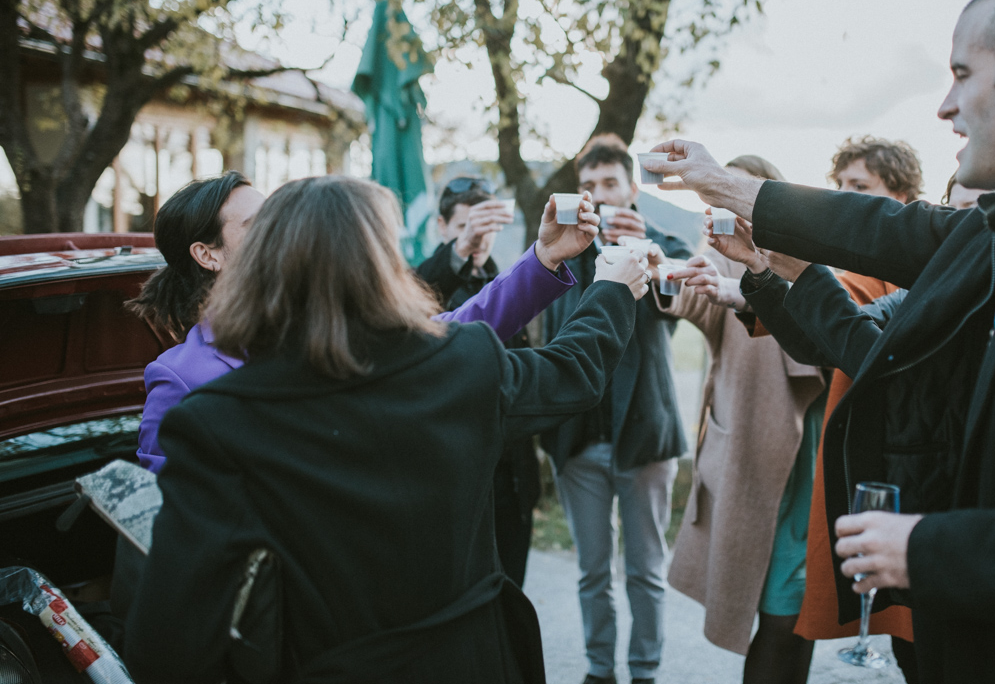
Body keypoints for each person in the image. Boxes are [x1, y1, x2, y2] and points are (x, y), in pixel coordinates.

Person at [642, 0, 995, 683]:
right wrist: (724, 183)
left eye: (963, 73)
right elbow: (883, 230)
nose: (944, 105)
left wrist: (927, 548)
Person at [123, 175, 653, 683]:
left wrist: (543, 260)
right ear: (382, 261)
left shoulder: (219, 420)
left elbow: (170, 642)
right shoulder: (192, 392)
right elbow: (568, 371)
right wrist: (611, 290)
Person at [129, 172, 597, 474]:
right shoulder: (179, 377)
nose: (281, 234)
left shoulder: (325, 324)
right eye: (259, 225)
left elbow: (448, 328)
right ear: (208, 254)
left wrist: (544, 257)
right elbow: (169, 517)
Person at [698, 139, 927, 683]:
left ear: (902, 198)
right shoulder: (844, 268)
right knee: (797, 616)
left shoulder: (923, 271)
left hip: (897, 464)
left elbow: (842, 315)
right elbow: (828, 321)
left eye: (861, 188)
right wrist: (748, 284)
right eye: (841, 186)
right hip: (833, 457)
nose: (846, 197)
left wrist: (754, 282)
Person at [650, 156, 825, 684]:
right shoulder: (719, 256)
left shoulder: (805, 258)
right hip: (750, 443)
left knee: (795, 607)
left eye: (743, 193)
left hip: (807, 445)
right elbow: (691, 301)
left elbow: (828, 337)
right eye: (721, 196)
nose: (729, 205)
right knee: (770, 601)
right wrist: (664, 273)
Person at [539, 134, 692, 684]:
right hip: (578, 436)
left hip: (645, 432)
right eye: (589, 186)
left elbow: (681, 294)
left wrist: (653, 255)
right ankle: (599, 672)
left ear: (631, 188)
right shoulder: (566, 251)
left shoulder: (661, 242)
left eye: (609, 184)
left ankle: (645, 672)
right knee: (591, 571)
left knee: (647, 571)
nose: (599, 195)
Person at [416, 177, 540, 586]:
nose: (477, 237)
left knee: (511, 590)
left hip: (510, 475)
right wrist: (462, 248)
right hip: (452, 473)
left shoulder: (507, 283)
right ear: (441, 227)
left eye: (484, 227)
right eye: (465, 227)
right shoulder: (419, 284)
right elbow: (418, 307)